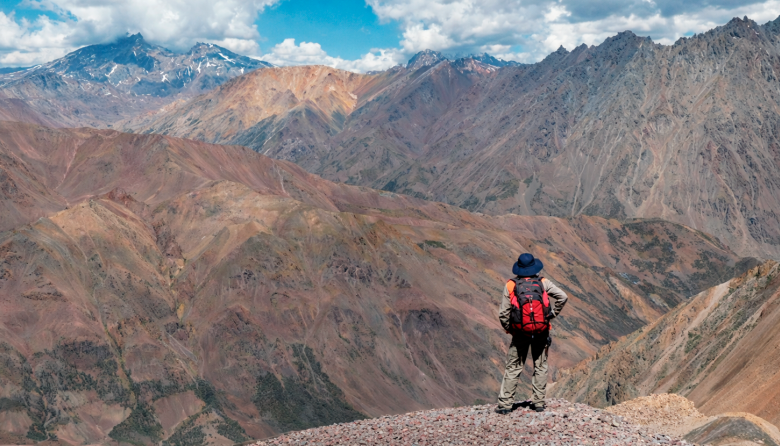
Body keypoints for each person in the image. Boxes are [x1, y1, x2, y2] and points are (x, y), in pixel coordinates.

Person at [496, 253, 568, 414]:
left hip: (520, 333)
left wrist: (511, 329)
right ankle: (539, 403)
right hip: (541, 331)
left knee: (514, 367)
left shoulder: (511, 285)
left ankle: (505, 404)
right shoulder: (543, 282)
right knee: (540, 366)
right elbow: (563, 297)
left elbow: (503, 314)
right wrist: (552, 315)